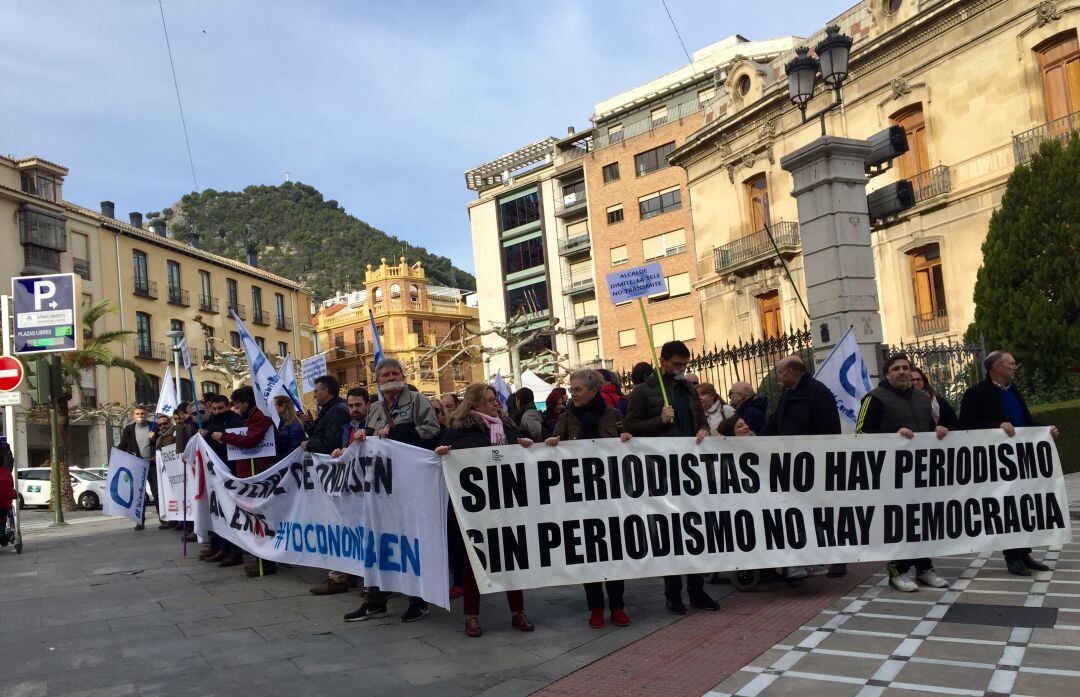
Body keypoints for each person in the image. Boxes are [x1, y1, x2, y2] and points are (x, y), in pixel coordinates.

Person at [436, 382, 537, 637]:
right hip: (475, 509)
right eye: (490, 401)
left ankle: (518, 611)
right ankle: (472, 616)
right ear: (474, 404)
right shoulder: (458, 431)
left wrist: (527, 445)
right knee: (475, 561)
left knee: (511, 558)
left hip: (507, 504)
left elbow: (528, 449)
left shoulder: (510, 428)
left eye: (496, 400)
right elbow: (439, 457)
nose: (496, 404)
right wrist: (445, 453)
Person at [345, 357, 441, 622]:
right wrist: (362, 437)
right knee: (378, 540)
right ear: (378, 381)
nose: (391, 377)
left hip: (410, 483)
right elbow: (371, 437)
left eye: (395, 373)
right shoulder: (374, 407)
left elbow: (433, 431)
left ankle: (418, 600)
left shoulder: (417, 400)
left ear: (403, 375)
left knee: (410, 540)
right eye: (385, 375)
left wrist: (398, 433)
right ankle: (376, 600)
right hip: (382, 485)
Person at [625, 340, 718, 615]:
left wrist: (703, 429)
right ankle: (673, 594)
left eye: (684, 364)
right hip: (661, 473)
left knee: (694, 530)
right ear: (662, 360)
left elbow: (700, 419)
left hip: (689, 472)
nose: (681, 368)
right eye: (676, 364)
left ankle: (697, 590)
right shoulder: (643, 392)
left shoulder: (688, 389)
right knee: (671, 534)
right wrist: (659, 421)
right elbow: (630, 426)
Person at [546, 369, 634, 629]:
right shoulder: (566, 417)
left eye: (578, 389)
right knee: (591, 553)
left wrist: (627, 439)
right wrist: (551, 443)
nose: (573, 394)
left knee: (614, 551)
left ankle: (617, 606)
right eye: (572, 390)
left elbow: (626, 444)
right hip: (580, 495)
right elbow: (553, 444)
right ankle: (595, 607)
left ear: (593, 390)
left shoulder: (613, 415)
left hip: (611, 494)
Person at [959, 350, 1060, 576]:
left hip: (1022, 459)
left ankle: (1024, 553)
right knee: (1006, 508)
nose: (1015, 367)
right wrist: (996, 425)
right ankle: (1012, 557)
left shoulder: (1012, 390)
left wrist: (1046, 429)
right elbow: (965, 425)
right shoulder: (976, 393)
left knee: (1024, 506)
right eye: (1012, 363)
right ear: (997, 367)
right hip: (997, 462)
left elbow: (1025, 422)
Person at [857, 352, 951, 592]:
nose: (901, 372)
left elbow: (928, 430)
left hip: (922, 473)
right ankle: (896, 571)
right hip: (891, 475)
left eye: (905, 368)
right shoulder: (874, 398)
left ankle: (924, 568)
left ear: (911, 372)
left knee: (923, 520)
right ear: (887, 374)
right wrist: (893, 437)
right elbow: (860, 435)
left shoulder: (922, 398)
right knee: (898, 523)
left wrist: (938, 430)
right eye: (896, 368)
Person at [762, 355, 844, 577]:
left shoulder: (818, 393)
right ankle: (808, 558)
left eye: (780, 372)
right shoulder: (788, 394)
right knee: (799, 513)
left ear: (791, 372)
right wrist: (755, 440)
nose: (778, 377)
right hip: (792, 465)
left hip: (813, 466)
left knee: (818, 514)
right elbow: (775, 423)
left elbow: (829, 430)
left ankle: (834, 558)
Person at [213, 386, 276, 574]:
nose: (237, 407)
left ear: (247, 402)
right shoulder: (249, 417)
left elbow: (250, 440)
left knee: (262, 520)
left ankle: (266, 562)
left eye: (238, 403)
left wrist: (224, 437)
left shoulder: (261, 418)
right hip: (249, 473)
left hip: (259, 474)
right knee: (254, 520)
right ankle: (260, 559)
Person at [198, 394, 244, 562]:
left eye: (220, 408)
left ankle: (234, 552)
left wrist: (214, 437)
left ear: (227, 407)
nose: (217, 412)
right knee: (218, 513)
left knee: (230, 513)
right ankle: (219, 546)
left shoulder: (234, 421)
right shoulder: (212, 423)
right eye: (214, 409)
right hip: (215, 472)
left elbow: (234, 444)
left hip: (229, 471)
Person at [119, 407, 157, 531]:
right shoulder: (129, 429)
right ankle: (140, 521)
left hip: (152, 465)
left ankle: (163, 519)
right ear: (133, 416)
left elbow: (162, 443)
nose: (140, 415)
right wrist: (114, 455)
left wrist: (154, 438)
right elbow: (123, 446)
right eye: (137, 414)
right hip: (137, 466)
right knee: (138, 495)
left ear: (147, 414)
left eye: (142, 413)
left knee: (157, 492)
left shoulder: (154, 426)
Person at [302, 375, 351, 456]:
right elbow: (321, 434)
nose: (314, 396)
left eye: (316, 391)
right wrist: (309, 424)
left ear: (325, 392)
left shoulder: (336, 411)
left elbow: (331, 444)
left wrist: (308, 444)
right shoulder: (329, 409)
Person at [0, 456, 15, 546]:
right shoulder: (7, 474)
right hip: (4, 504)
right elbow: (10, 491)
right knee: (3, 518)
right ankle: (2, 535)